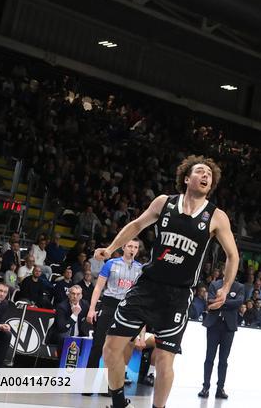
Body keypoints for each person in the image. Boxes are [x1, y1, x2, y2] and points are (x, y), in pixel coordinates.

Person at [95, 156, 239, 408]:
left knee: (164, 360)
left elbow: (232, 256)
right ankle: (118, 403)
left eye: (209, 174)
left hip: (178, 295)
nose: (206, 175)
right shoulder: (164, 202)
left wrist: (226, 288)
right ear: (187, 178)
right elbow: (137, 225)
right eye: (200, 171)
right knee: (110, 349)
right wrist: (111, 248)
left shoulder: (217, 216)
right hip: (147, 286)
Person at [86, 239, 143, 370]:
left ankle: (111, 382)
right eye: (130, 246)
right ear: (123, 247)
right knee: (98, 344)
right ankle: (88, 380)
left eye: (135, 247)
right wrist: (91, 309)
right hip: (109, 304)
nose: (132, 249)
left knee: (119, 348)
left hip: (127, 308)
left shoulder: (140, 269)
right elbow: (98, 288)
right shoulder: (111, 263)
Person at [200, 274, 244, 399]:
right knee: (209, 357)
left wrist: (220, 302)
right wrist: (226, 302)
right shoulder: (215, 284)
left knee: (223, 360)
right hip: (213, 324)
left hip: (228, 327)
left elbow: (239, 302)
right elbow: (210, 300)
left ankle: (220, 388)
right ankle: (205, 387)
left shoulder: (239, 287)